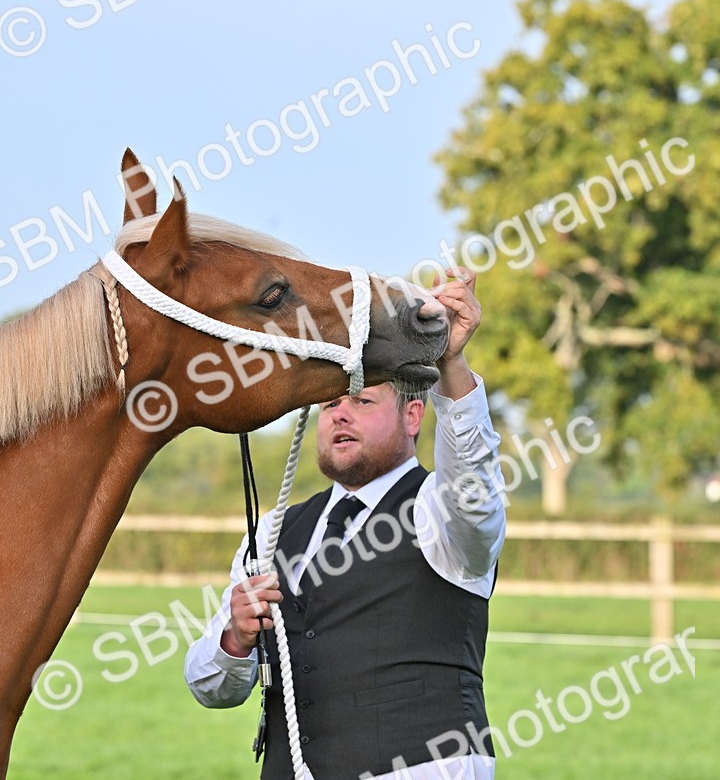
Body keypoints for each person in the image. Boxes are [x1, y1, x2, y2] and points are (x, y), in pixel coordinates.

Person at [184, 268, 507, 780]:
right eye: (330, 403)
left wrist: (453, 364)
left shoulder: (442, 513)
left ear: (413, 416)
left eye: (361, 401)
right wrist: (234, 639)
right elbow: (210, 687)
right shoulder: (273, 532)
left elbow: (474, 487)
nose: (339, 415)